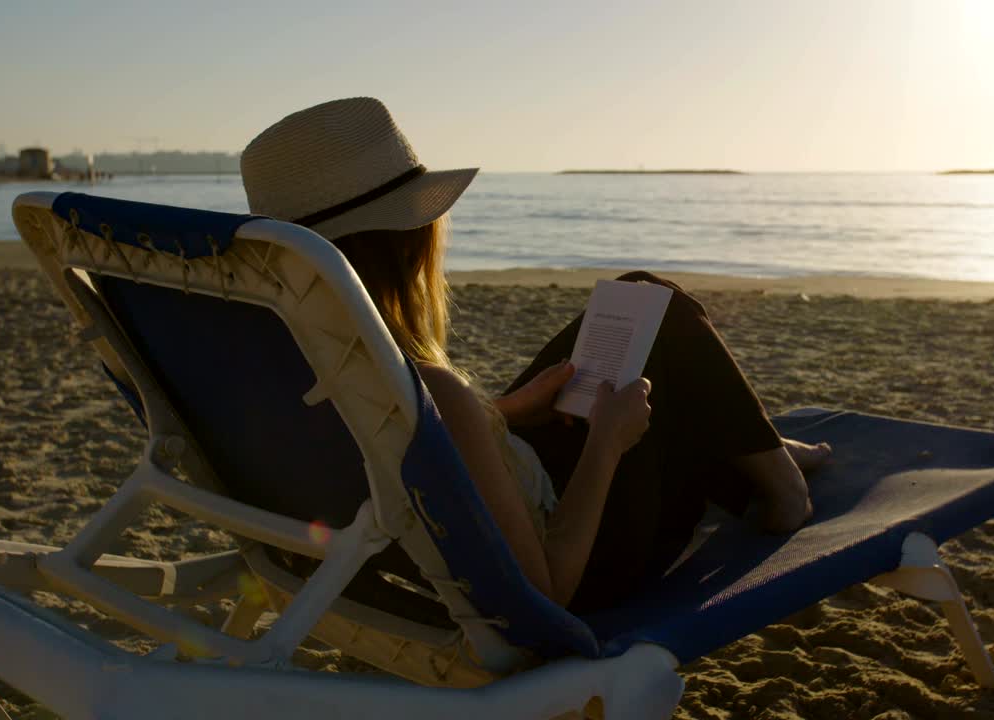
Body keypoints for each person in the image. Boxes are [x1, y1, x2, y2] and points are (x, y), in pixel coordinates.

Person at [240, 98, 829, 614]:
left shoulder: (292, 363)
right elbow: (548, 593)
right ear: (406, 240)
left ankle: (755, 445)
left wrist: (506, 412)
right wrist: (605, 444)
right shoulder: (429, 389)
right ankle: (778, 482)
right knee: (661, 310)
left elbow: (395, 448)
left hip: (440, 527)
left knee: (628, 309)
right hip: (589, 564)